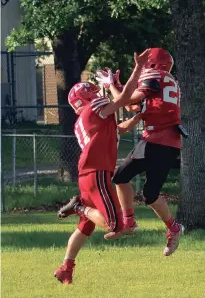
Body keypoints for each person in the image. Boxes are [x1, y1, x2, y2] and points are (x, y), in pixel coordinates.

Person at [54, 49, 149, 284]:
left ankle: (66, 267)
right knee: (114, 225)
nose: (100, 94)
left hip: (89, 173)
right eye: (95, 92)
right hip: (96, 172)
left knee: (85, 229)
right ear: (88, 98)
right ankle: (78, 207)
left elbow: (118, 130)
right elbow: (124, 97)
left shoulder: (85, 119)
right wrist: (137, 68)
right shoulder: (93, 110)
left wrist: (138, 119)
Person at [95, 48, 185, 256]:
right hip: (164, 141)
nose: (142, 68)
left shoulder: (156, 76)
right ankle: (152, 225)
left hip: (158, 139)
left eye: (145, 64)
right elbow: (133, 105)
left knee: (134, 185)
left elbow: (125, 100)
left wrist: (111, 87)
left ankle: (150, 225)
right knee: (135, 185)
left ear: (152, 64)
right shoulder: (167, 82)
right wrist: (116, 86)